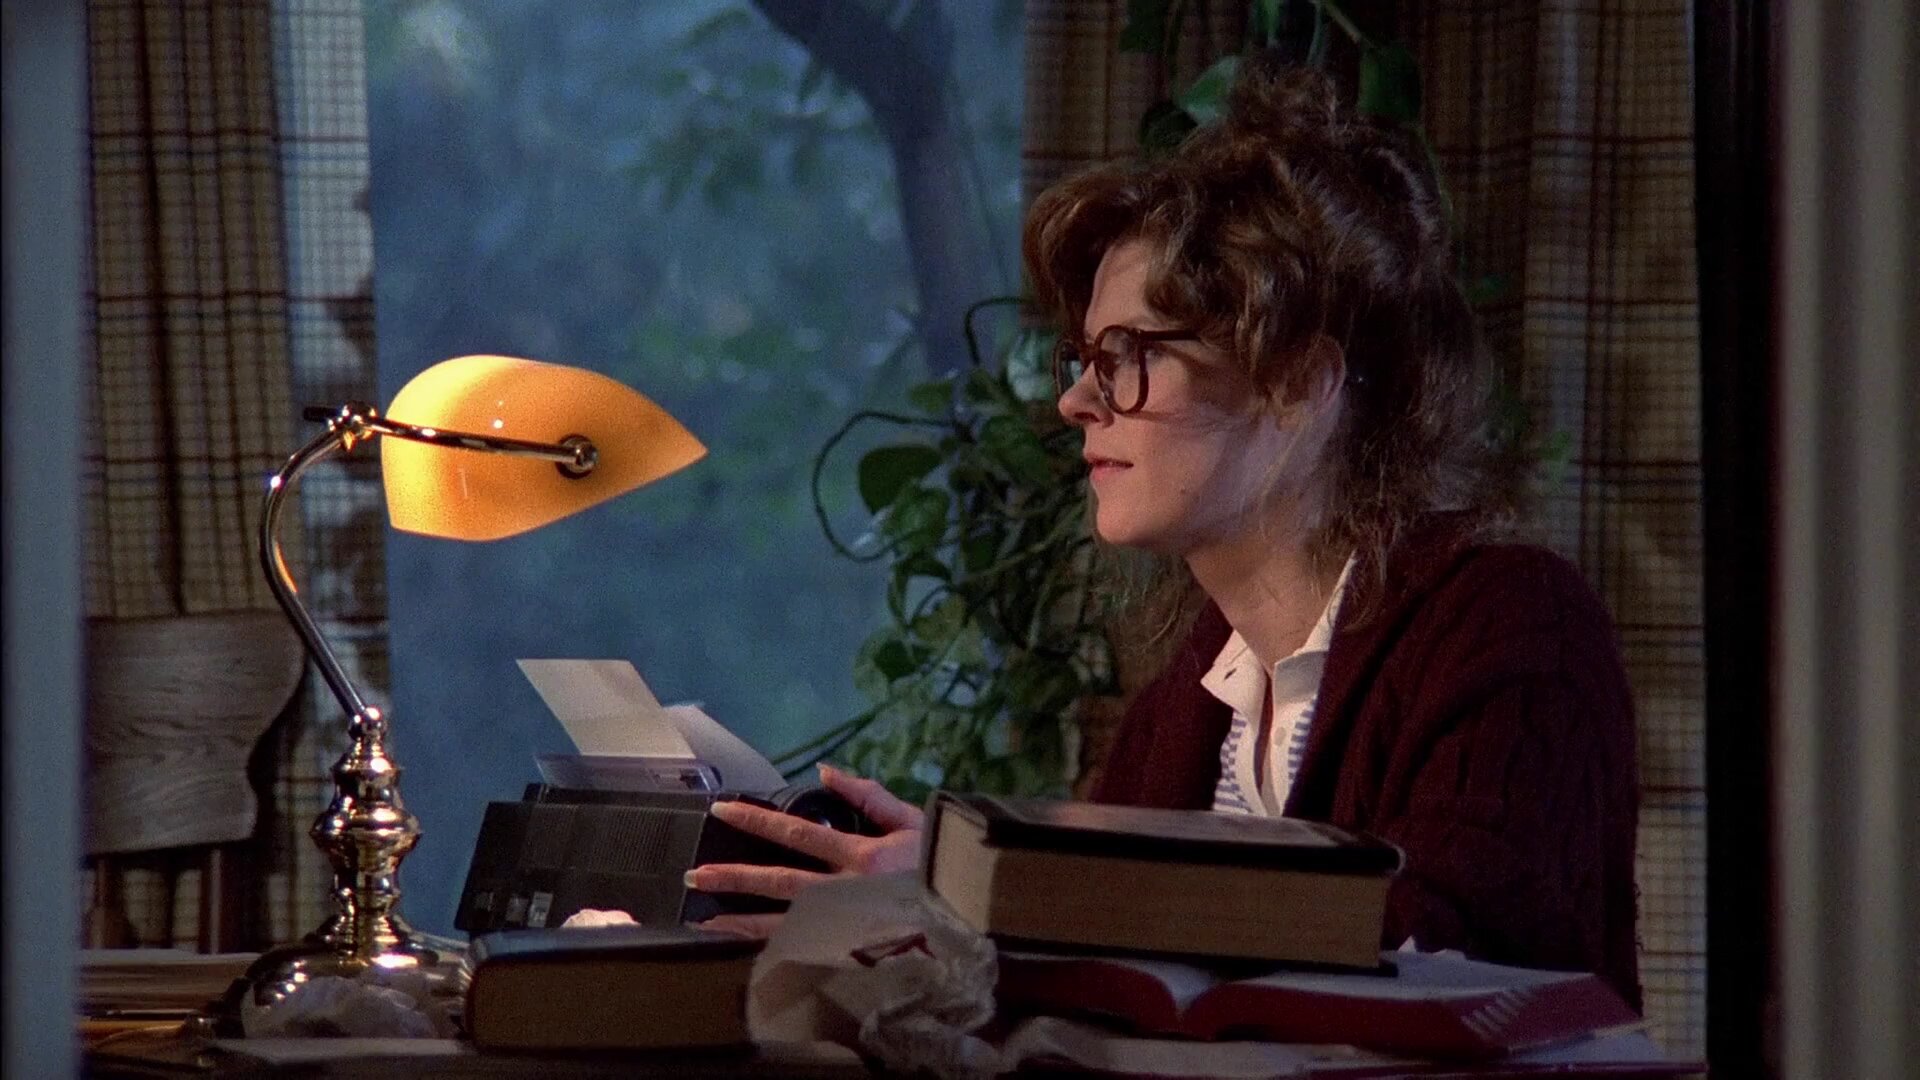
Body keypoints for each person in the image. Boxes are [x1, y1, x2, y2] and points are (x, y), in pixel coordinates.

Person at [687, 57, 1640, 1011]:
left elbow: (1447, 956)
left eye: (1128, 355)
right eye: (1082, 358)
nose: (1075, 401)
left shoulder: (1510, 623)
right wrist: (941, 910)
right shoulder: (1184, 706)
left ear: (1298, 382)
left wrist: (999, 894)